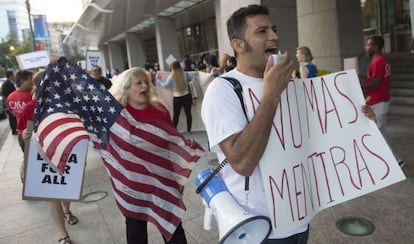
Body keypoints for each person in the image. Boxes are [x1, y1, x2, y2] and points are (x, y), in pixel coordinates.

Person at [201, 5, 376, 243]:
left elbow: (315, 138)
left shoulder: (290, 84)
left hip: (299, 218)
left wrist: (359, 121)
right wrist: (271, 96)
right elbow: (242, 162)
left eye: (273, 29)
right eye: (261, 31)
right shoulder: (223, 90)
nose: (274, 36)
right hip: (258, 228)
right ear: (238, 45)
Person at [109, 67, 189, 244]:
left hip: (162, 178)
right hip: (133, 182)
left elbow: (171, 138)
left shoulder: (160, 109)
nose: (144, 86)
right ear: (126, 88)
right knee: (136, 230)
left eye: (146, 82)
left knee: (173, 228)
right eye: (138, 83)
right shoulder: (117, 115)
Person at [19, 71, 78, 244]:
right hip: (42, 156)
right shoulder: (29, 108)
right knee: (52, 198)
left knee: (66, 193)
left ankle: (67, 211)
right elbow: (22, 131)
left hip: (65, 154)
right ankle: (63, 235)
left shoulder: (67, 104)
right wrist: (24, 135)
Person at [359, 35, 404, 167]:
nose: (366, 48)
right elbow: (375, 80)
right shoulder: (381, 60)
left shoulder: (378, 62)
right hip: (381, 101)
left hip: (378, 102)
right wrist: (364, 79)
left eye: (368, 45)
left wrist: (360, 85)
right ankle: (391, 160)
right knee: (380, 133)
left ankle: (396, 160)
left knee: (377, 134)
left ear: (375, 47)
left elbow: (376, 84)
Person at [156, 61, 194, 133]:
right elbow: (192, 79)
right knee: (188, 114)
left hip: (177, 98)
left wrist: (158, 80)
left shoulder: (171, 76)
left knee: (176, 115)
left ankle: (173, 130)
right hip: (187, 96)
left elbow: (165, 85)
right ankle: (189, 130)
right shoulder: (185, 74)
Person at [7, 70, 34, 152]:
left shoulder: (10, 97)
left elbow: (13, 113)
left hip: (21, 134)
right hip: (32, 133)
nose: (33, 83)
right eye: (31, 80)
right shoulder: (31, 95)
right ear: (22, 81)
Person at [1, 70, 17, 135]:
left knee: (13, 117)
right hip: (9, 104)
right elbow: (4, 95)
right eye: (13, 75)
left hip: (11, 103)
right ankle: (14, 130)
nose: (14, 76)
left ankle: (15, 129)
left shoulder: (10, 83)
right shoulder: (6, 84)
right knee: (12, 117)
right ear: (10, 76)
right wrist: (7, 106)